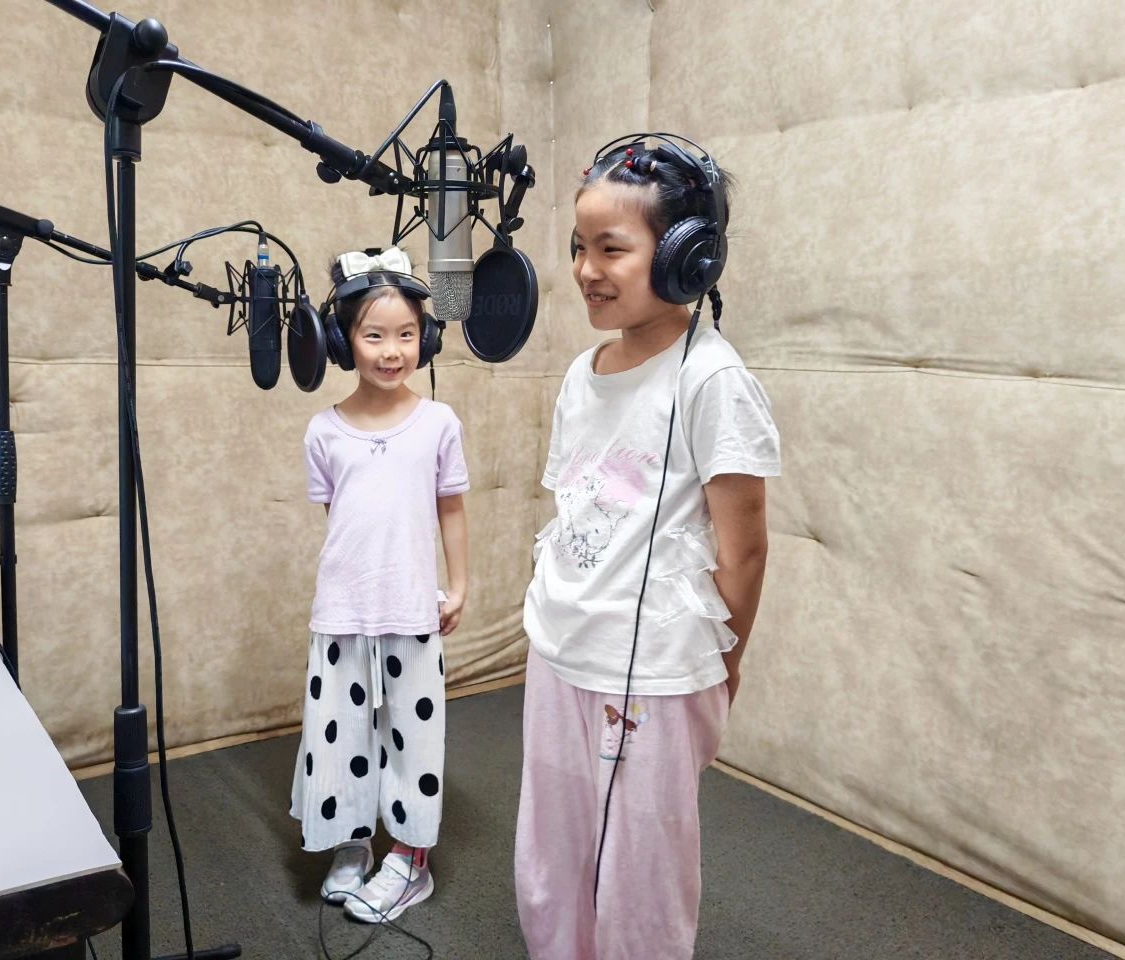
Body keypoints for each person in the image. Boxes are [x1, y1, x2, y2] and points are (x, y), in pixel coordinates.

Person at [515, 136, 781, 959]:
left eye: (611, 249)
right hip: (559, 648)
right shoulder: (581, 372)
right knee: (552, 852)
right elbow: (576, 508)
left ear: (685, 257)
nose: (586, 270)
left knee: (640, 873)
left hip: (654, 671)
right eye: (578, 247)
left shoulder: (712, 380)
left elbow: (744, 551)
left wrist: (724, 662)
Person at [290, 246, 469, 923]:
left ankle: (410, 859)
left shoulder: (439, 423)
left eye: (406, 335)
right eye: (373, 335)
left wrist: (458, 585)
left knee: (412, 740)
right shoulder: (323, 431)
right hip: (342, 610)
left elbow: (451, 508)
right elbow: (341, 523)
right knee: (339, 734)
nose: (392, 351)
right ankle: (351, 840)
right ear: (343, 341)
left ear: (426, 338)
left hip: (412, 608)